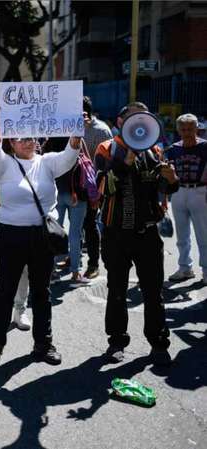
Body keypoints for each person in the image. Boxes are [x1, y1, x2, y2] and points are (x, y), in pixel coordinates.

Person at [0, 106, 82, 366]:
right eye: (22, 138)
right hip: (10, 237)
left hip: (41, 238)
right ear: (11, 142)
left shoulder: (47, 162)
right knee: (5, 292)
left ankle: (43, 344)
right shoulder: (2, 163)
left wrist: (75, 135)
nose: (29, 142)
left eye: (32, 138)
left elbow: (69, 157)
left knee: (42, 292)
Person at [95, 102, 179, 366]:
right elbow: (99, 188)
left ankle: (158, 341)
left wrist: (171, 179)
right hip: (116, 233)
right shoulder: (107, 149)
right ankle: (117, 341)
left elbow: (164, 190)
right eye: (133, 118)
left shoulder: (155, 149)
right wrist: (123, 164)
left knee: (154, 290)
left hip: (148, 233)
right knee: (117, 289)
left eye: (143, 118)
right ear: (121, 122)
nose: (139, 123)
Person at [164, 114, 207, 284]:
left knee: (203, 235)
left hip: (200, 191)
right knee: (182, 235)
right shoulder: (174, 148)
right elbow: (168, 173)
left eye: (190, 129)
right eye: (183, 129)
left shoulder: (205, 147)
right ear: (178, 130)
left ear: (197, 129)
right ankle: (184, 268)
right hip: (179, 192)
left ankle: (206, 271)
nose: (187, 132)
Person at [44, 137, 91, 284]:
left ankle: (50, 270)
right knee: (75, 234)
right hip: (77, 193)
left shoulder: (48, 143)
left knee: (52, 232)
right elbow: (88, 161)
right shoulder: (77, 140)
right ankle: (75, 272)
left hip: (56, 193)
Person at [81, 96, 112, 279]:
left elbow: (108, 161)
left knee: (90, 224)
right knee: (76, 225)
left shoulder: (101, 131)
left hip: (93, 187)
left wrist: (100, 189)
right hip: (71, 184)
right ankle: (74, 257)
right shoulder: (65, 129)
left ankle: (93, 264)